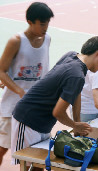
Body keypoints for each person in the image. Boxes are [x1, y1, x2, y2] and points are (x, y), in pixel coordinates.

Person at [11, 36, 98, 169]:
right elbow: (58, 112)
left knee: (38, 165)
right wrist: (74, 125)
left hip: (43, 122)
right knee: (28, 164)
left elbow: (76, 94)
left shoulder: (72, 56)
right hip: (28, 119)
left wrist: (77, 122)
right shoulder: (76, 74)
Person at [0, 2, 54, 166]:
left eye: (47, 23)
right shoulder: (16, 41)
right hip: (13, 106)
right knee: (2, 148)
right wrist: (19, 90)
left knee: (36, 153)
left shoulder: (47, 39)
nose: (45, 27)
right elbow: (1, 71)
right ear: (30, 21)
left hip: (36, 108)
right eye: (42, 23)